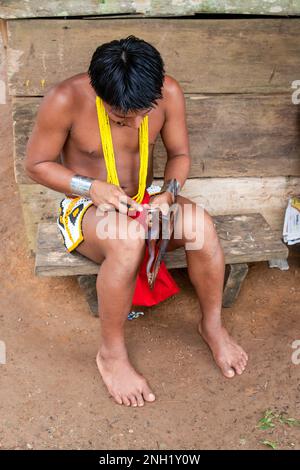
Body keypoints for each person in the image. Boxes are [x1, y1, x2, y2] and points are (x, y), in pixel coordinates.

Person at [25, 36, 248, 408]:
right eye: (122, 118)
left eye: (145, 113)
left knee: (200, 227)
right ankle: (110, 354)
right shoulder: (65, 99)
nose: (138, 123)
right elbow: (35, 166)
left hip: (145, 201)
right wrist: (90, 186)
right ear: (99, 93)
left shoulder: (170, 93)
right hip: (85, 206)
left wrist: (169, 194)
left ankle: (212, 324)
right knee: (127, 237)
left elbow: (179, 154)